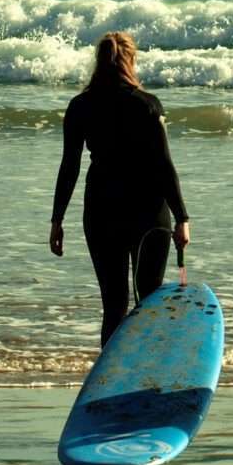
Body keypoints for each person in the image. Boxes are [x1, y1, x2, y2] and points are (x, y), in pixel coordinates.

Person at [49, 31, 192, 346]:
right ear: (130, 60)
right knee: (148, 301)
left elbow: (69, 167)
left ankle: (108, 383)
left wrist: (57, 219)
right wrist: (182, 217)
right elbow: (164, 166)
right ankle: (143, 377)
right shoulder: (147, 105)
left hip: (101, 211)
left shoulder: (80, 106)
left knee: (113, 305)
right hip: (148, 213)